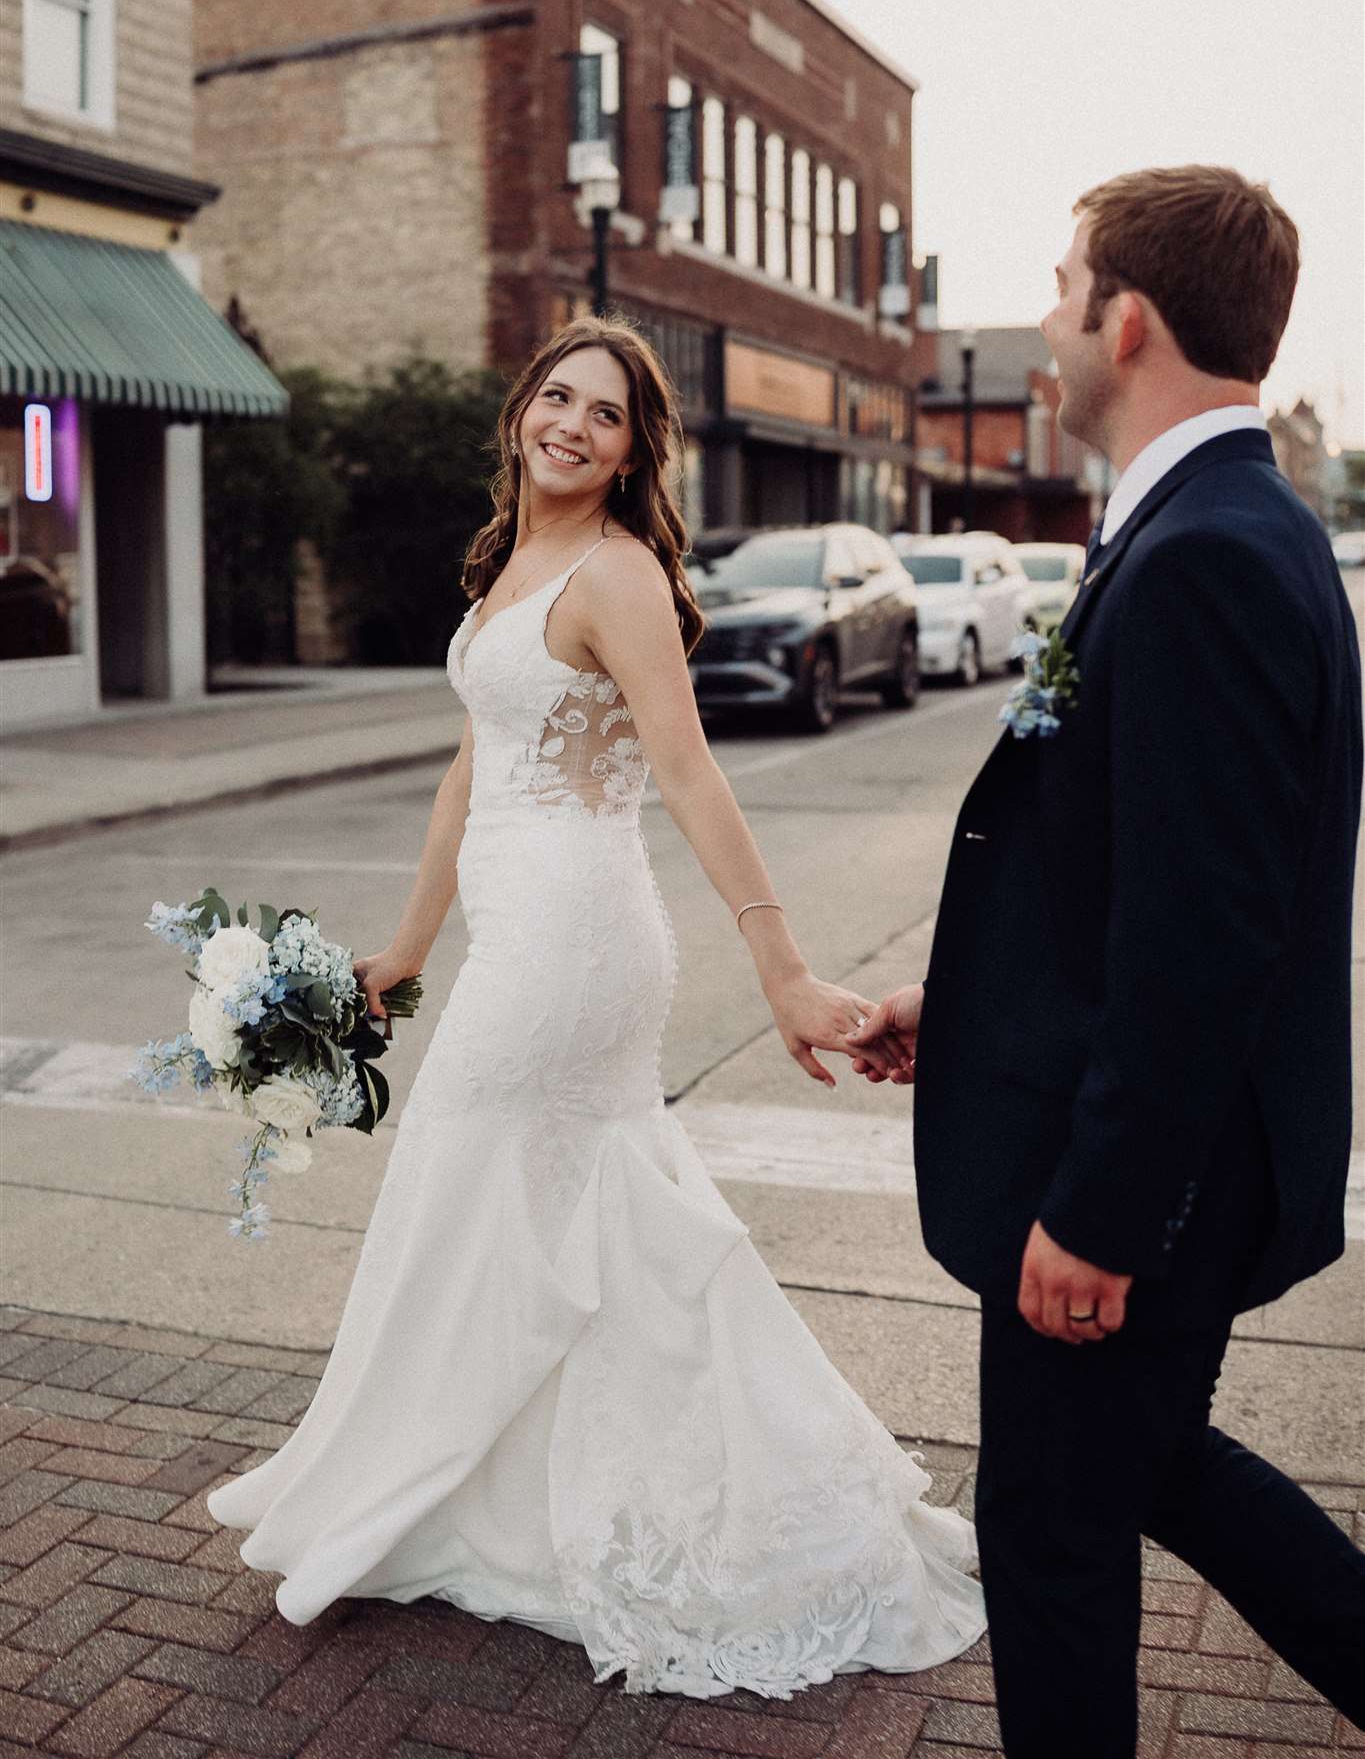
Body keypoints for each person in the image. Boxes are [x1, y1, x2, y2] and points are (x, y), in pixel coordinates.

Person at [206, 315, 985, 1699]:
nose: (571, 423)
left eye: (605, 415)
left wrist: (780, 965)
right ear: (523, 409)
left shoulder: (619, 574)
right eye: (557, 397)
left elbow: (687, 773)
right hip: (514, 925)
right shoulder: (512, 559)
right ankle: (499, 1493)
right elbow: (468, 773)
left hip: (575, 935)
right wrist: (406, 942)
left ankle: (451, 1486)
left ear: (634, 455)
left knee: (467, 1182)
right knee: (568, 1213)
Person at [852, 165, 1365, 1754]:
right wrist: (975, 1007)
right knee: (1139, 1473)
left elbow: (1205, 937)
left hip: (1144, 1177)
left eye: (1062, 283)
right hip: (1153, 1138)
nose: (1046, 322)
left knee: (1053, 1537)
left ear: (1121, 315)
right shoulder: (1210, 527)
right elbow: (1140, 884)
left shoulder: (1207, 553)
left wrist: (1098, 1212)